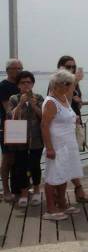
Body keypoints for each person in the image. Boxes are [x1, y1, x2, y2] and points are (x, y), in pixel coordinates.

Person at [41, 70, 84, 221]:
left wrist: (75, 119)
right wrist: (50, 148)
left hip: (68, 144)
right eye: (67, 84)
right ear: (58, 84)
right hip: (57, 145)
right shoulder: (51, 102)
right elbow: (44, 125)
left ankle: (62, 203)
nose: (69, 87)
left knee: (63, 174)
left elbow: (66, 116)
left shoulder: (64, 98)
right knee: (52, 176)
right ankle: (50, 209)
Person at [9, 71, 44, 207]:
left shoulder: (39, 97)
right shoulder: (14, 98)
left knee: (35, 165)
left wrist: (34, 105)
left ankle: (36, 190)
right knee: (20, 166)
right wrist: (21, 104)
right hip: (19, 139)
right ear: (18, 85)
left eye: (29, 82)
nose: (26, 85)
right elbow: (11, 116)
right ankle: (24, 193)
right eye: (23, 82)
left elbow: (43, 116)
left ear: (33, 83)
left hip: (36, 139)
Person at [1, 58, 22, 201]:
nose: (19, 71)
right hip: (8, 126)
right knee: (7, 159)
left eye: (21, 68)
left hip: (22, 125)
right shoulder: (4, 86)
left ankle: (19, 188)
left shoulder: (22, 85)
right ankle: (6, 189)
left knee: (19, 158)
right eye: (16, 68)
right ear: (8, 70)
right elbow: (8, 109)